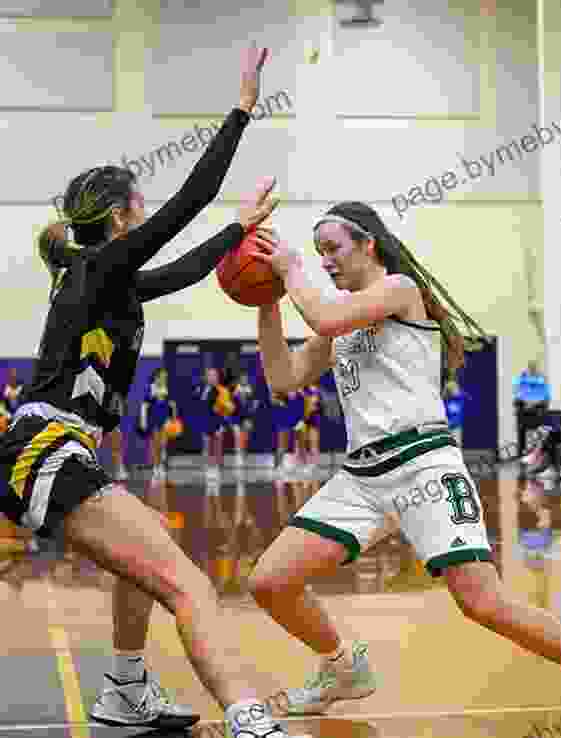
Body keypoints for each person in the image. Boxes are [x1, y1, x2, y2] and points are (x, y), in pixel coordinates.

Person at [246, 201, 561, 732]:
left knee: (482, 602)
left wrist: (291, 269)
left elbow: (325, 315)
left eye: (333, 248)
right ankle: (343, 669)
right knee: (270, 581)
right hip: (363, 477)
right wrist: (265, 299)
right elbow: (283, 378)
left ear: (369, 244)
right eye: (318, 254)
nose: (325, 261)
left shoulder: (398, 289)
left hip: (423, 467)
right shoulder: (340, 320)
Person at [0, 44, 290, 738]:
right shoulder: (100, 264)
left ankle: (125, 691)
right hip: (47, 448)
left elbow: (188, 268)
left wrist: (241, 228)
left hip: (53, 449)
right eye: (142, 208)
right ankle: (251, 718)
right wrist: (243, 109)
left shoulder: (108, 276)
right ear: (124, 217)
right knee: (189, 586)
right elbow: (189, 203)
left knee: (150, 553)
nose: (149, 213)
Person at [138, 367, 176, 482]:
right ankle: (155, 470)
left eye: (165, 377)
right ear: (156, 377)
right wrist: (143, 421)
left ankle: (161, 468)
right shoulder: (150, 389)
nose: (164, 378)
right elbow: (144, 407)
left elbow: (172, 406)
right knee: (155, 446)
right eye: (162, 376)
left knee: (163, 446)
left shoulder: (167, 389)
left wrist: (172, 418)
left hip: (164, 421)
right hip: (154, 421)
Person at [513, 360, 551, 457]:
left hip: (537, 410)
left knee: (542, 428)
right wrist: (524, 402)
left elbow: (545, 397)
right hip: (525, 411)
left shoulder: (541, 379)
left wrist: (534, 403)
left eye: (534, 368)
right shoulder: (523, 379)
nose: (532, 370)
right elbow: (518, 395)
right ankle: (521, 451)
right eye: (530, 368)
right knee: (521, 425)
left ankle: (541, 451)